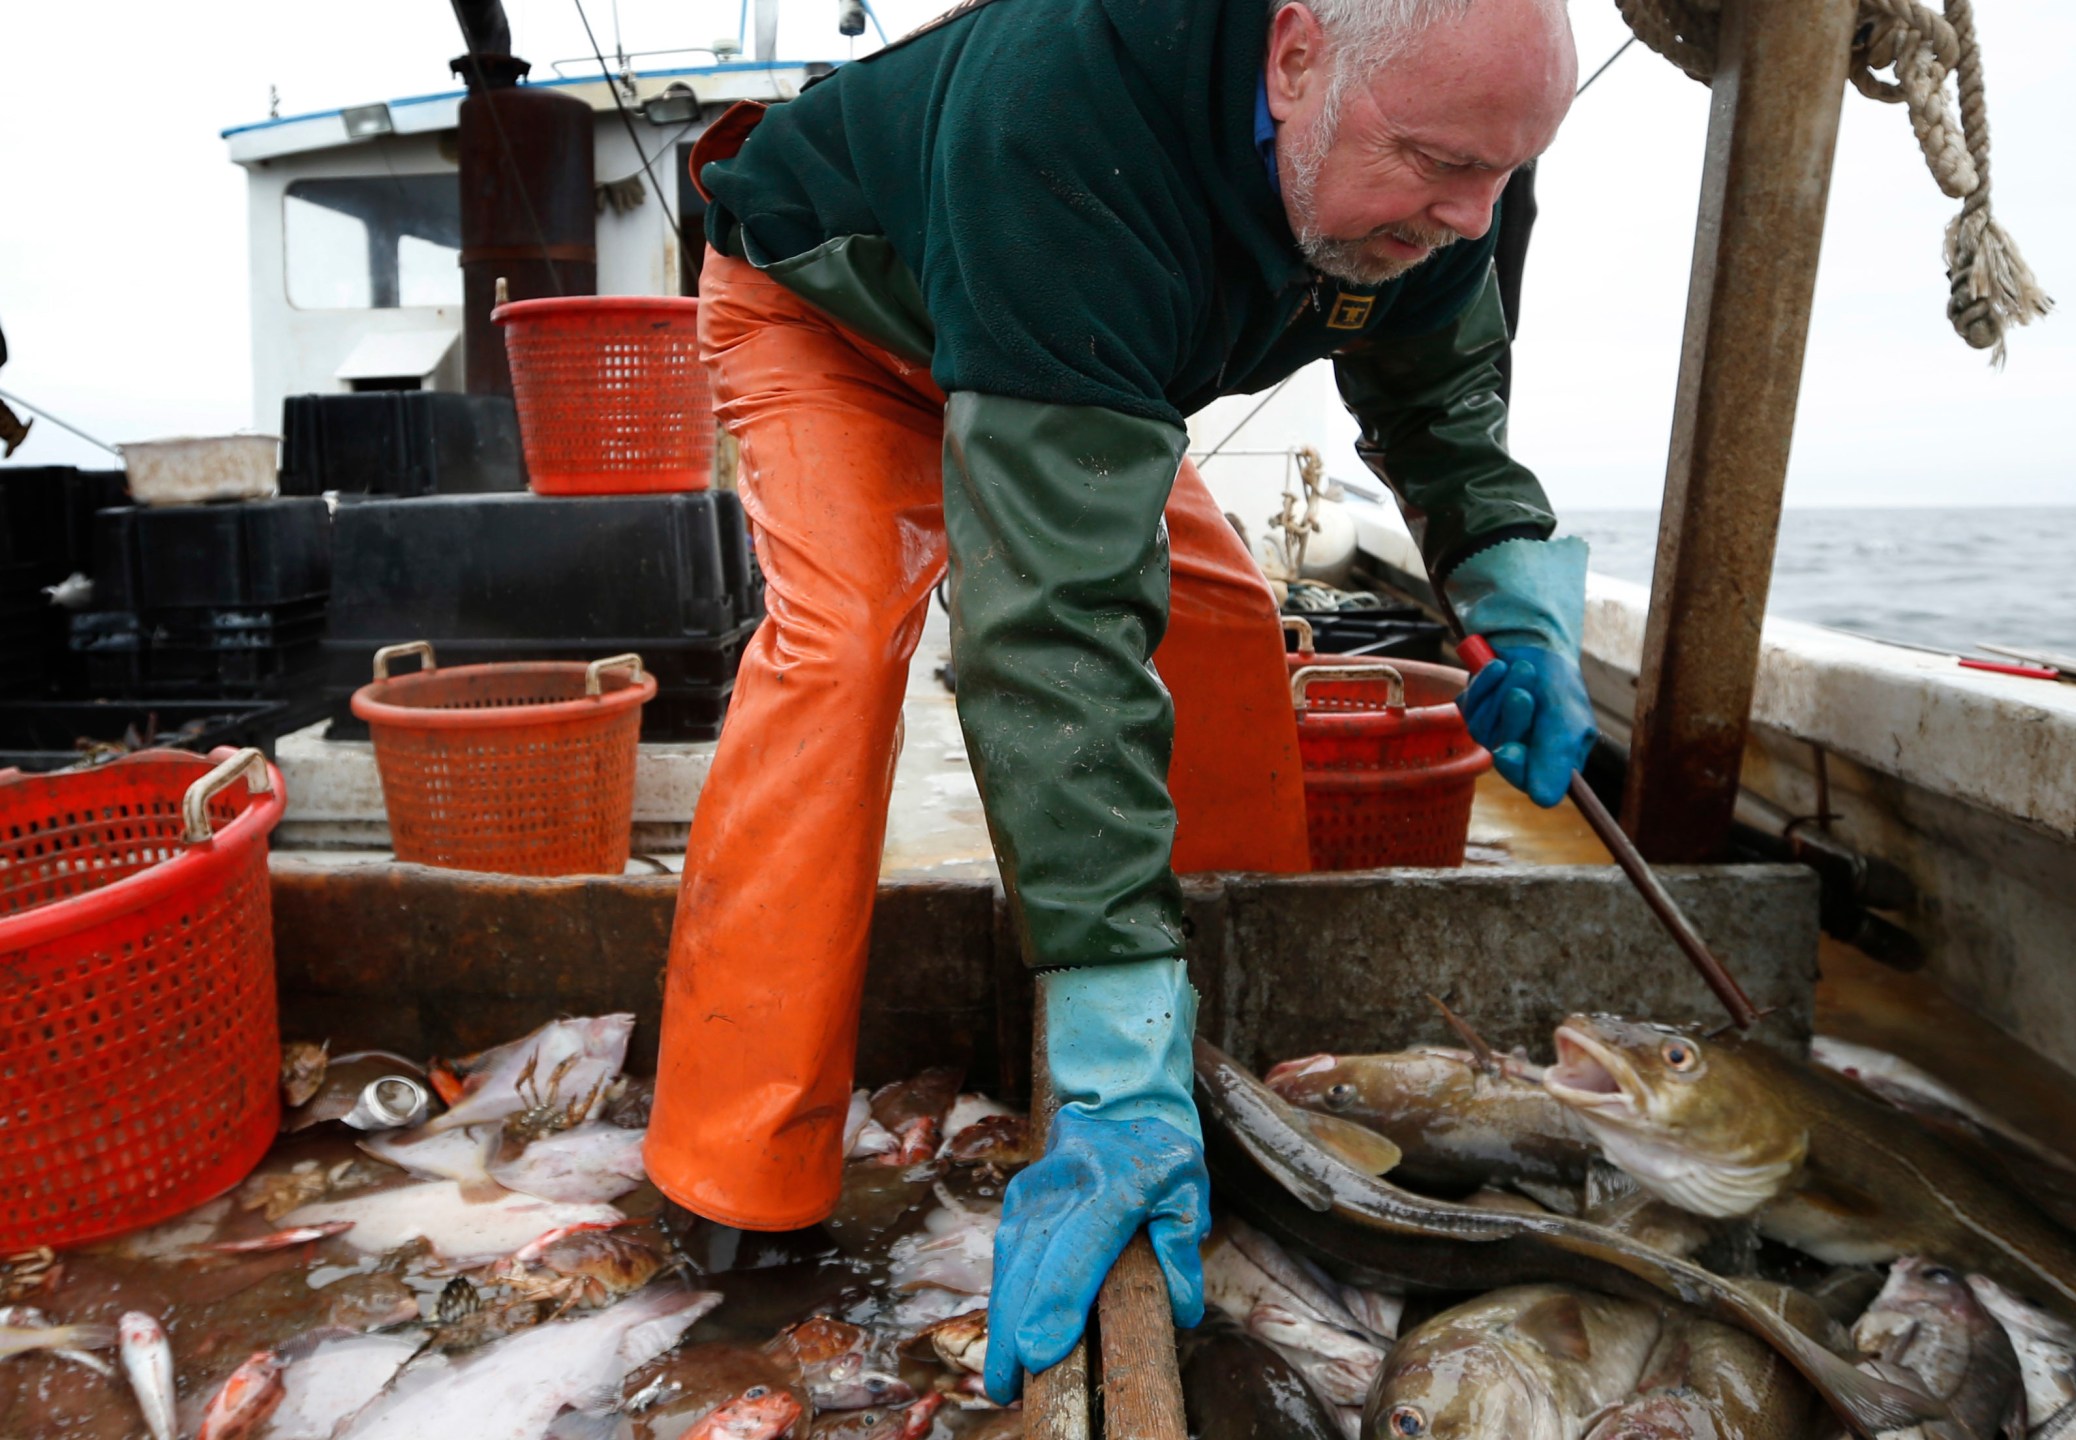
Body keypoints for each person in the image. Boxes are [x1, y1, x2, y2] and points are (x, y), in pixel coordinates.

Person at [642, 0, 1598, 1402]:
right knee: (842, 649)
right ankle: (732, 1180)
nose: (1468, 213)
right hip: (840, 322)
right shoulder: (1071, 105)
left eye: (1500, 176)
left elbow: (1438, 395)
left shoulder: (1458, 157)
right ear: (1294, 56)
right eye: (1435, 165)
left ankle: (1226, 1063)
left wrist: (1510, 589)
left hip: (1081, 361)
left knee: (1218, 621)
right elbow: (1052, 641)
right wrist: (1100, 1048)